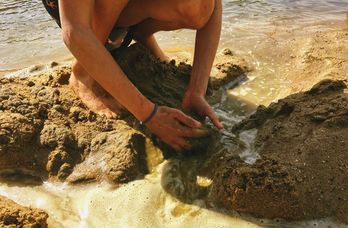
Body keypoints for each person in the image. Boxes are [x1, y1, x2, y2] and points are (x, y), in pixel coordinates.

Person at [42, 0, 224, 151]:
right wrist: (148, 113)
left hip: (122, 11)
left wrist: (197, 90)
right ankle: (82, 73)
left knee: (199, 6)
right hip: (79, 12)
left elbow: (214, 4)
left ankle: (139, 35)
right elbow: (74, 30)